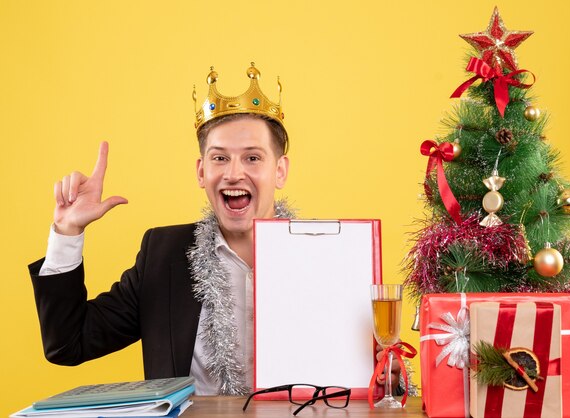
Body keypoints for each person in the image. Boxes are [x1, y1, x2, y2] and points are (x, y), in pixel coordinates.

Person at [28, 63, 399, 396]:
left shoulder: (330, 255)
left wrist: (387, 373)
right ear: (201, 171)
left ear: (280, 171)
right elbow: (68, 344)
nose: (233, 173)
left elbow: (370, 376)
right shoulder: (163, 254)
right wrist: (67, 231)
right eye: (219, 158)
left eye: (253, 158)